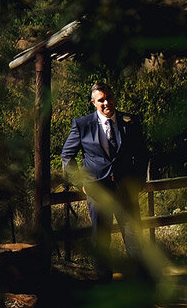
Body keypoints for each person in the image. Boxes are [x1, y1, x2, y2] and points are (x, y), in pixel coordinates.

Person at [61, 82, 149, 279]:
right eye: (101, 100)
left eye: (109, 97)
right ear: (94, 102)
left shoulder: (130, 121)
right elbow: (67, 156)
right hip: (98, 191)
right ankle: (104, 286)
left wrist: (139, 181)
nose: (107, 102)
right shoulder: (82, 125)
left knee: (134, 238)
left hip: (126, 191)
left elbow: (143, 154)